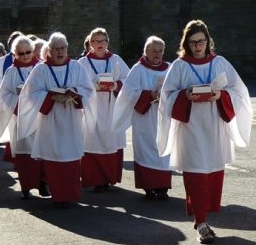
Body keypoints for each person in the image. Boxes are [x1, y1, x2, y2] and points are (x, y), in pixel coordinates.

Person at [158, 20, 251, 244]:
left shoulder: (220, 63)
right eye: (193, 42)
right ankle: (200, 223)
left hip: (215, 127)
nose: (198, 46)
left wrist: (222, 96)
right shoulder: (179, 66)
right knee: (196, 175)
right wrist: (185, 95)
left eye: (201, 41)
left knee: (212, 175)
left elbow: (239, 91)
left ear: (208, 40)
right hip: (190, 129)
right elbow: (166, 97)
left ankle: (205, 217)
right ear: (186, 43)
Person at [16, 32, 92, 207]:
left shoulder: (75, 67)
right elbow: (30, 94)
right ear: (48, 50)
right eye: (56, 49)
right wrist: (51, 97)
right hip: (50, 120)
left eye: (63, 48)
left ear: (67, 49)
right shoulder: (41, 69)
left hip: (71, 118)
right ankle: (57, 195)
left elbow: (88, 89)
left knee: (71, 157)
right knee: (54, 156)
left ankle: (71, 194)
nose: (60, 52)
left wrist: (73, 92)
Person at [112, 36, 172, 200]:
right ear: (146, 52)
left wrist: (165, 95)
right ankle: (149, 187)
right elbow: (128, 93)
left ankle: (163, 186)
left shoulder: (170, 68)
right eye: (154, 51)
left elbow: (177, 89)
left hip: (163, 118)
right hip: (144, 117)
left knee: (163, 151)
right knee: (146, 151)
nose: (157, 54)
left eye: (160, 51)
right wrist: (148, 95)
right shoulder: (138, 69)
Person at [77, 28, 130, 192]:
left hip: (111, 106)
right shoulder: (82, 63)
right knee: (91, 141)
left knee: (111, 141)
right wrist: (92, 86)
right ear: (90, 43)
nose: (100, 44)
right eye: (96, 41)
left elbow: (128, 79)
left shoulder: (116, 60)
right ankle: (95, 179)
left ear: (108, 41)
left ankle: (108, 178)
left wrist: (115, 85)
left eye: (103, 41)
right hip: (92, 107)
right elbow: (76, 83)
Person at [0, 36, 43, 199]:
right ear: (15, 54)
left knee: (42, 151)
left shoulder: (41, 68)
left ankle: (43, 183)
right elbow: (2, 97)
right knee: (25, 154)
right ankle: (26, 187)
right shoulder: (11, 71)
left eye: (28, 52)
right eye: (21, 53)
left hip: (39, 118)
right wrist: (18, 100)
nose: (25, 56)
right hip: (20, 119)